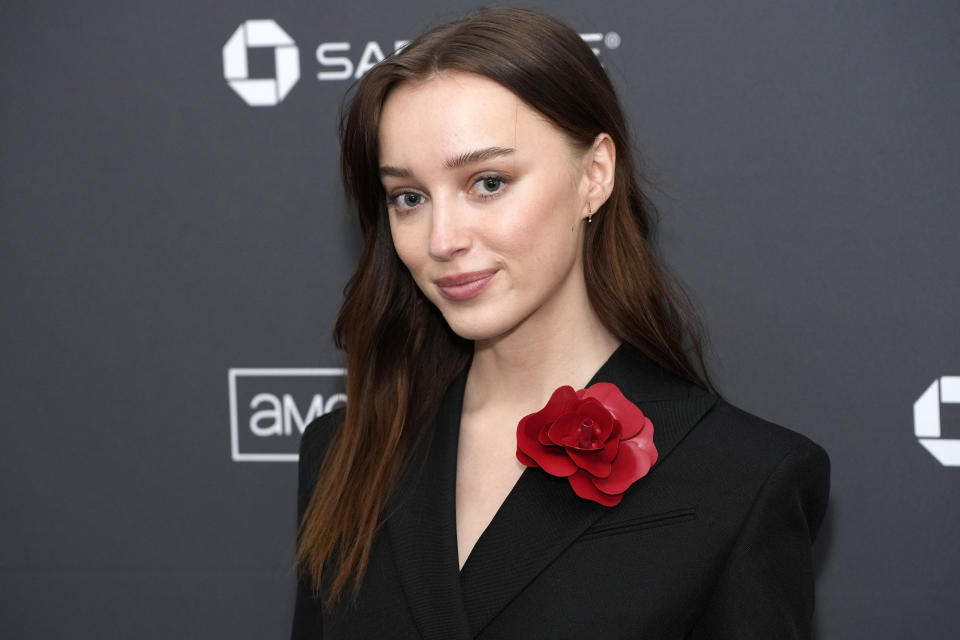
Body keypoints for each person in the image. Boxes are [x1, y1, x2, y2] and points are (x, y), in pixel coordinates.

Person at [292, 7, 830, 639]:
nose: (441, 239)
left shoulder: (744, 478)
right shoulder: (344, 449)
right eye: (408, 198)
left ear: (594, 176)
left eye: (487, 182)